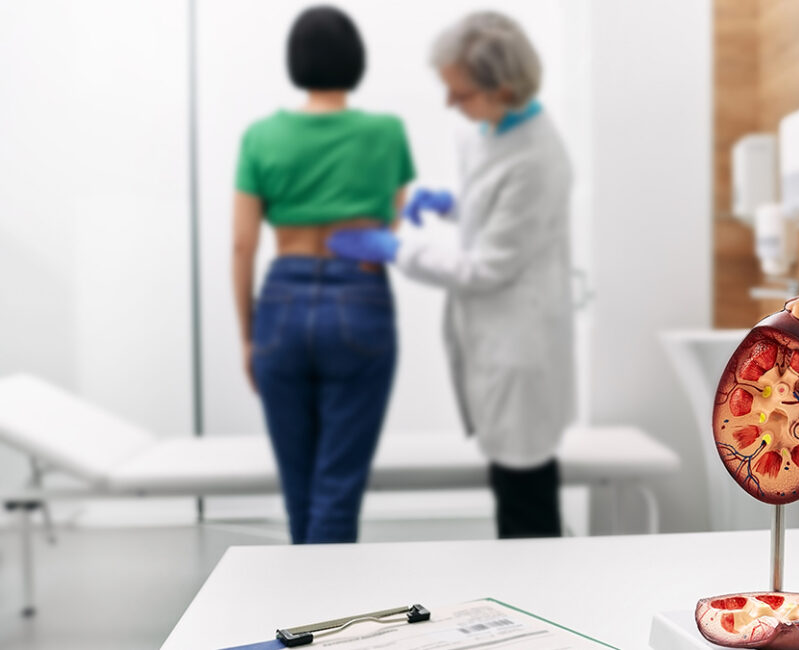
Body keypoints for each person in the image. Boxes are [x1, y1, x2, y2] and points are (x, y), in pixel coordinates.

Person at [328, 11, 575, 539]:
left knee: (524, 500)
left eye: (458, 93)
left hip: (520, 350)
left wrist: (397, 248)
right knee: (510, 485)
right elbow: (495, 208)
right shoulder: (490, 128)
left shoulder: (538, 158)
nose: (449, 104)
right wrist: (451, 205)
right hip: (495, 339)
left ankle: (541, 603)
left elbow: (487, 267)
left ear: (502, 87)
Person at [233, 6, 415, 544]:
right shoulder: (386, 132)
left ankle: (301, 619)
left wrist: (248, 335)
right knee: (337, 491)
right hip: (359, 302)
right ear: (355, 62)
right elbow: (398, 227)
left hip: (281, 303)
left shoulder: (261, 136)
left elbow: (243, 244)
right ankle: (329, 622)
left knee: (299, 493)